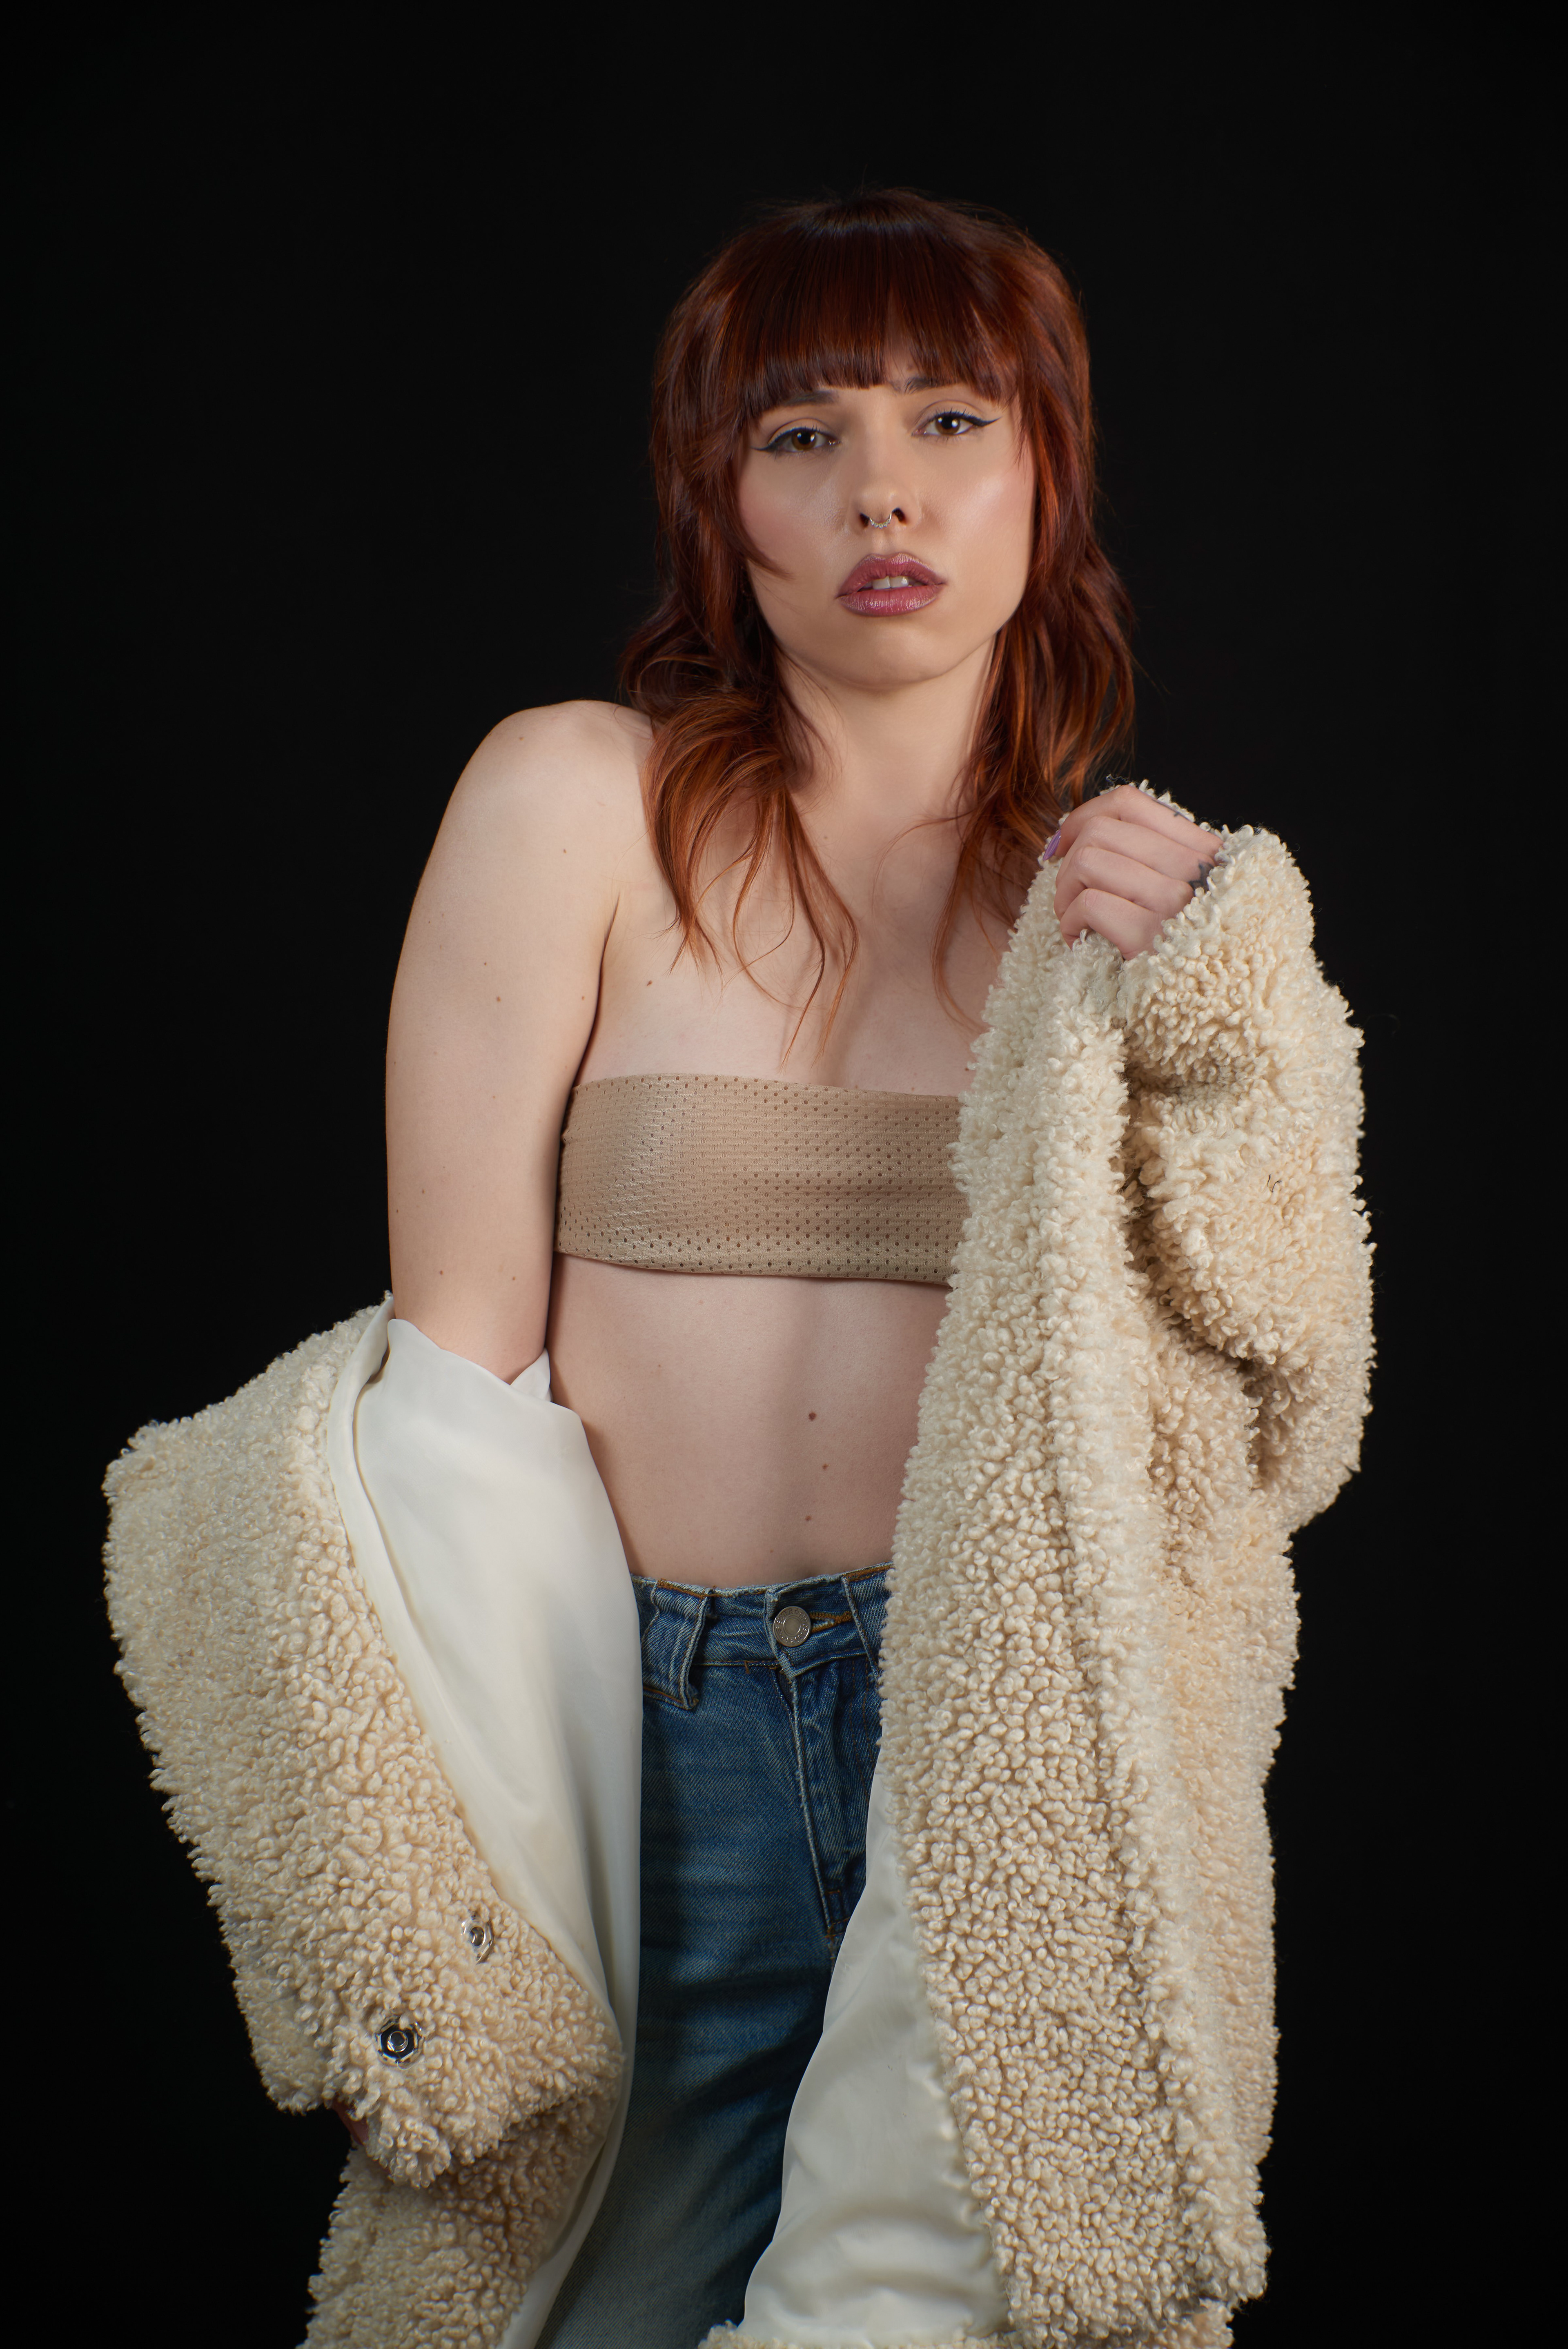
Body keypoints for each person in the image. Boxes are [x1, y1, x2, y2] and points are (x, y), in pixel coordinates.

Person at [104, 189, 1372, 2349]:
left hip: (982, 1740)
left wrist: (1231, 1007)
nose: (883, 489)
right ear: (721, 497)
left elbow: (1283, 1415)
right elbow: (453, 1393)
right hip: (645, 1726)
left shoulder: (1121, 921)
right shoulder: (571, 803)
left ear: (1047, 479)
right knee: (580, 2302)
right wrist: (440, 1823)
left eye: (952, 420)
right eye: (803, 433)